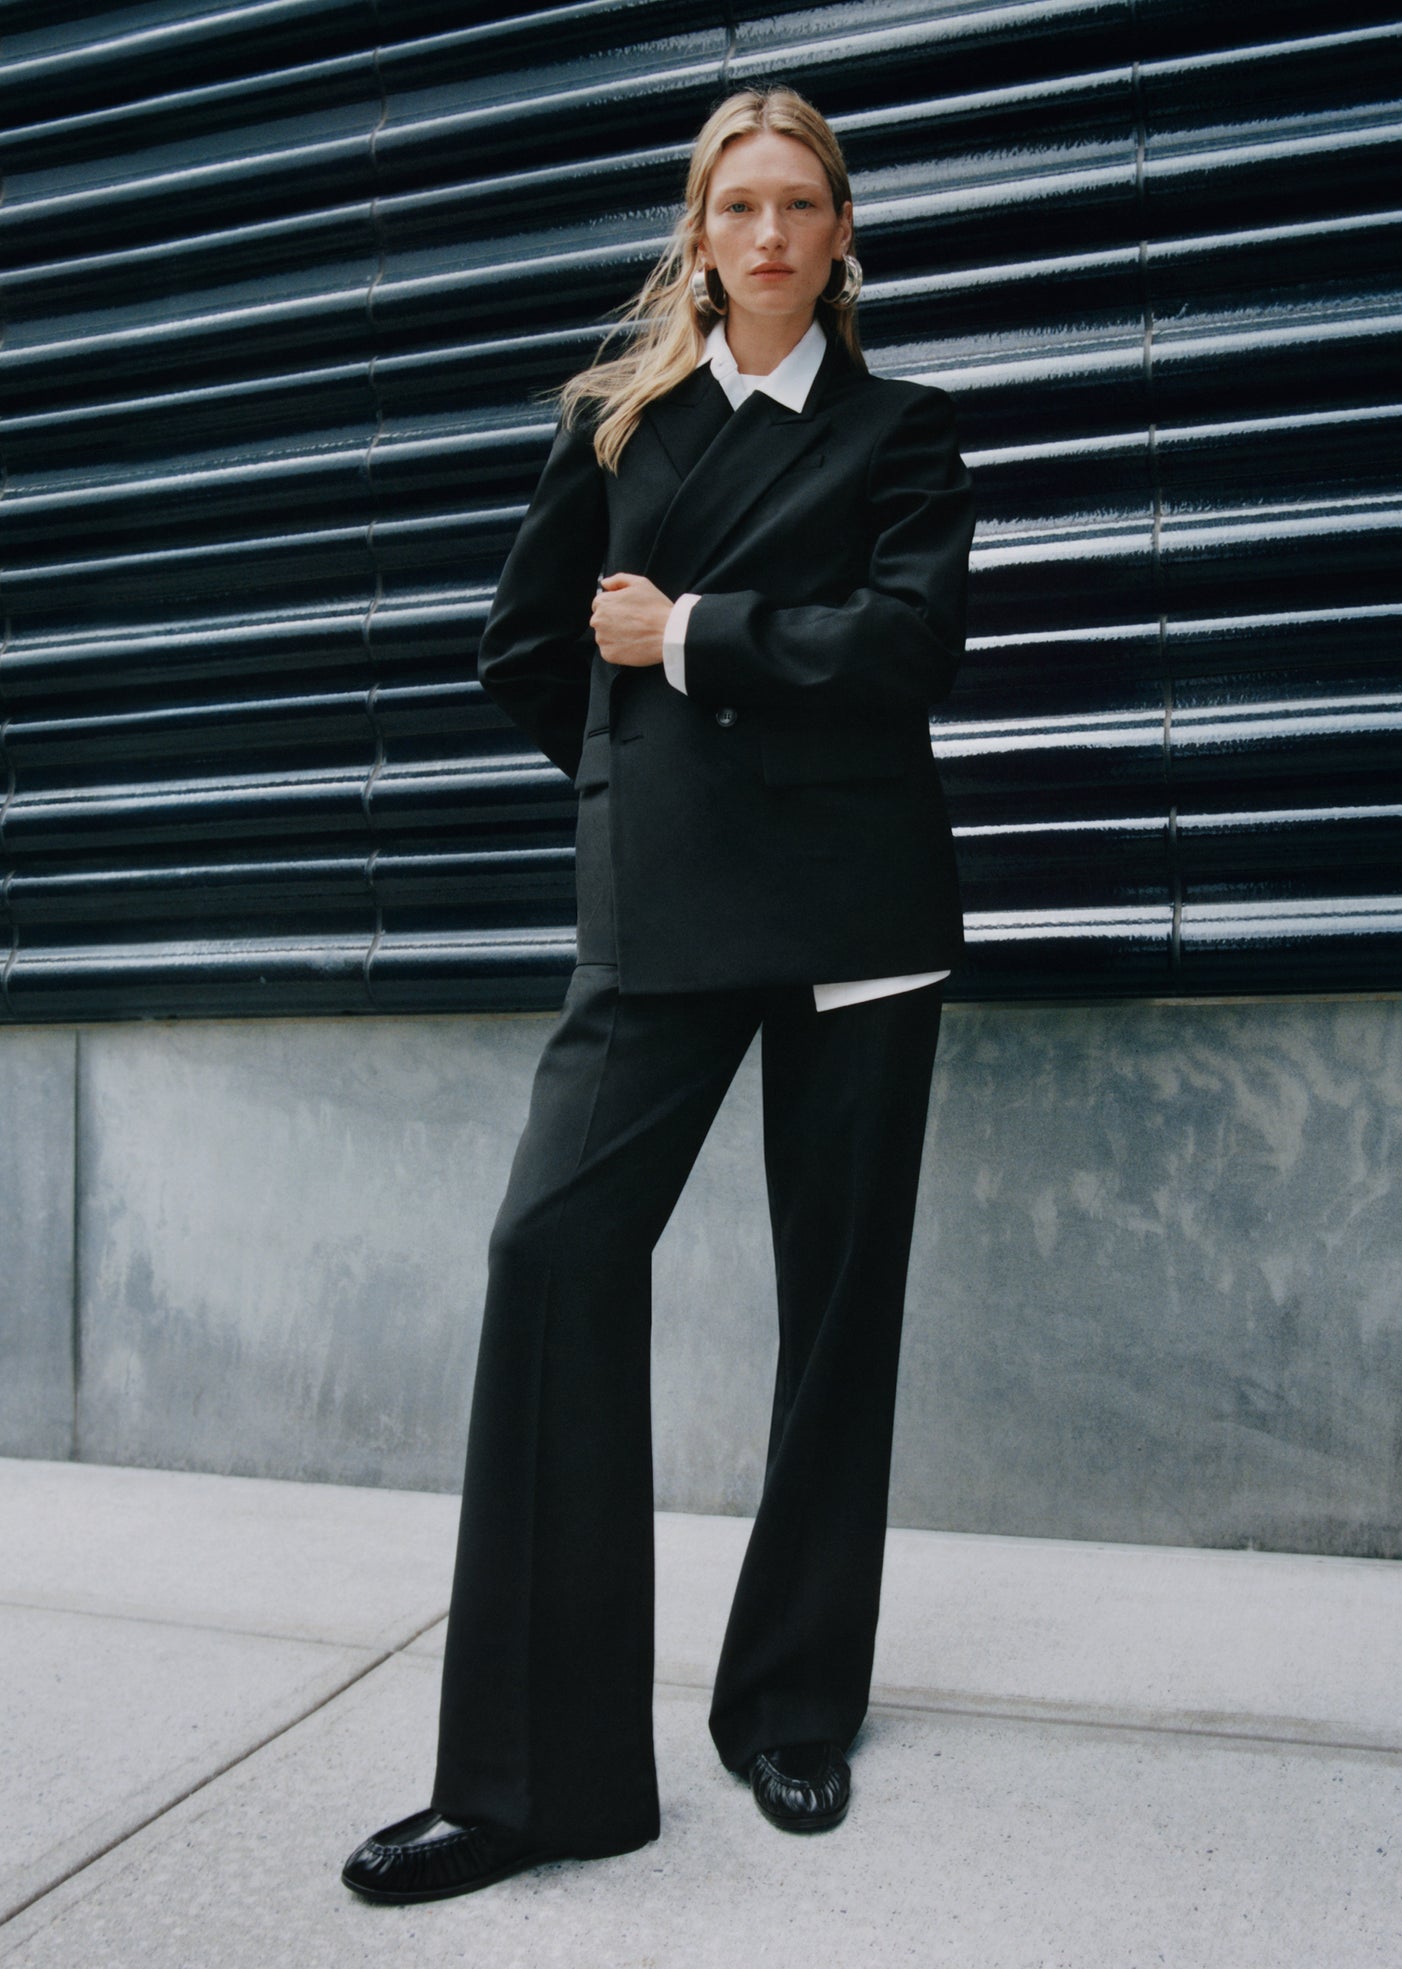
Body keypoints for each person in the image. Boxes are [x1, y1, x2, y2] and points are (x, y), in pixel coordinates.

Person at [342, 83, 975, 1905]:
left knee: (836, 1319)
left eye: (800, 205)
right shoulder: (614, 424)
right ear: (698, 234)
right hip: (664, 913)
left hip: (863, 918)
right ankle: (535, 1782)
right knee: (548, 1257)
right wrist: (650, 786)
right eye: (738, 206)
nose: (769, 236)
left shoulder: (908, 433)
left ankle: (789, 1706)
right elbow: (530, 649)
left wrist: (690, 634)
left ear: (842, 233)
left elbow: (908, 645)